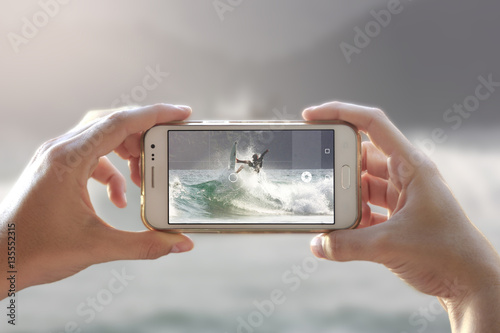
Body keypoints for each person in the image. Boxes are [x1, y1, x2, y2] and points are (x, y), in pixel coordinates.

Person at [0, 102, 499, 332]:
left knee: (248, 168)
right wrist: (472, 287)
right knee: (243, 168)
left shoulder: (254, 160)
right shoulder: (246, 160)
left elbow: (249, 162)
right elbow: (243, 164)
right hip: (245, 168)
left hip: (250, 168)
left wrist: (9, 251)